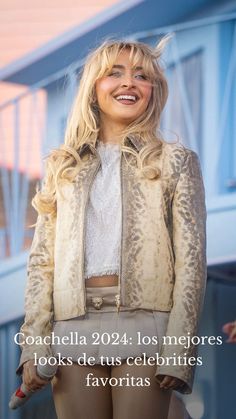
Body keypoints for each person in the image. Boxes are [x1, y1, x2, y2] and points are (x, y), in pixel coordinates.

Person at [16, 36, 207, 419]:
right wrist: (34, 345)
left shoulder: (177, 162)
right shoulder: (62, 168)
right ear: (93, 89)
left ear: (153, 91)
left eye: (142, 75)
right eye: (114, 73)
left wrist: (179, 350)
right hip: (71, 329)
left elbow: (191, 265)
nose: (129, 82)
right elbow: (42, 265)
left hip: (145, 325)